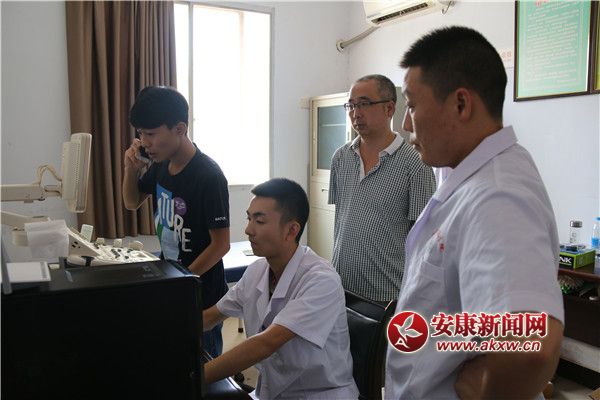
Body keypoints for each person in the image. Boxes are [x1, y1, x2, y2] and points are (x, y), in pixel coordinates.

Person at [385, 26, 564, 399]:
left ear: (461, 105)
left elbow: (533, 343)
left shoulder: (496, 195)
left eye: (412, 106)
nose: (405, 125)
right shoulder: (471, 171)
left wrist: (489, 392)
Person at [203, 178, 358, 399]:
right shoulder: (257, 271)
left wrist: (193, 377)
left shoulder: (321, 281)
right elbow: (211, 317)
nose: (248, 230)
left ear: (291, 230)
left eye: (259, 221)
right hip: (274, 392)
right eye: (249, 218)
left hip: (319, 394)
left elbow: (266, 343)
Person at [123, 86, 230, 358]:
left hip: (200, 290)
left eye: (151, 134)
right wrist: (130, 170)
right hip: (172, 276)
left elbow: (221, 245)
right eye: (141, 134)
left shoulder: (209, 176)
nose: (144, 142)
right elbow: (132, 202)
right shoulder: (161, 164)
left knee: (203, 362)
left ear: (180, 129)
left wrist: (183, 280)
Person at [328, 74, 436, 303]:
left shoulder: (416, 165)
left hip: (387, 295)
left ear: (389, 108)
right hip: (340, 287)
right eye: (351, 105)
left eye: (364, 104)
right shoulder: (340, 158)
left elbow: (424, 239)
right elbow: (342, 221)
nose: (356, 113)